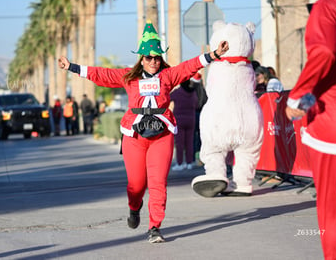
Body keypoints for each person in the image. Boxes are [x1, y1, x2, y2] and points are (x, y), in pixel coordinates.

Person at [58, 21, 229, 243]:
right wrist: (72, 66)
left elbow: (190, 66)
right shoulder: (130, 77)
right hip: (135, 136)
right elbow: (102, 74)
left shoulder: (168, 76)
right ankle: (134, 206)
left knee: (158, 182)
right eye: (148, 57)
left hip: (162, 135)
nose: (153, 61)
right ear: (141, 58)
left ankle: (155, 226)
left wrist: (215, 54)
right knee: (136, 184)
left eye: (157, 57)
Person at [285, 0, 336, 259]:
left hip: (334, 126)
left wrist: (297, 98)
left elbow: (324, 53)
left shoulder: (328, 7)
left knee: (333, 211)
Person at [170, 79, 198, 171]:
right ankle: (189, 163)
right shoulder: (193, 93)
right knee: (189, 143)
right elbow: (196, 104)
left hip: (179, 120)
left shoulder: (177, 92)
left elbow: (168, 98)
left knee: (180, 143)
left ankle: (179, 163)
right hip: (191, 119)